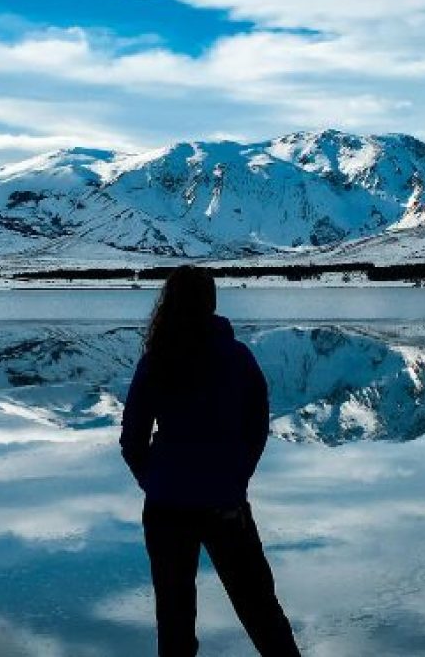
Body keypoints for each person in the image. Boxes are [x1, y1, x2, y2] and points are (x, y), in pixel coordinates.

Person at [120, 266, 301, 657]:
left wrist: (155, 481)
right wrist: (235, 476)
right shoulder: (237, 358)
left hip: (166, 506)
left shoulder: (157, 360)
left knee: (174, 620)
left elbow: (132, 439)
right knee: (261, 612)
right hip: (224, 503)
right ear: (211, 303)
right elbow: (256, 427)